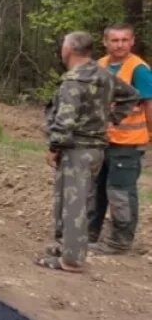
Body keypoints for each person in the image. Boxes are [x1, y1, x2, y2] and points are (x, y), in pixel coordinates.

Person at [37, 31, 137, 272]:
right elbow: (131, 95)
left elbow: (65, 121)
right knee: (70, 198)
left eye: (63, 46)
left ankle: (71, 259)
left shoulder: (73, 81)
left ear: (69, 50)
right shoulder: (103, 75)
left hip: (76, 148)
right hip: (96, 149)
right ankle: (65, 244)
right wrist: (112, 118)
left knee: (74, 204)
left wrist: (54, 147)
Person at [89, 23, 152, 254]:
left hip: (127, 142)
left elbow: (149, 103)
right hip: (102, 140)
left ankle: (120, 241)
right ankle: (89, 234)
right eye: (115, 40)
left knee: (120, 191)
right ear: (105, 42)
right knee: (96, 189)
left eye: (124, 40)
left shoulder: (139, 69)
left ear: (132, 41)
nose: (120, 44)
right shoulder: (100, 66)